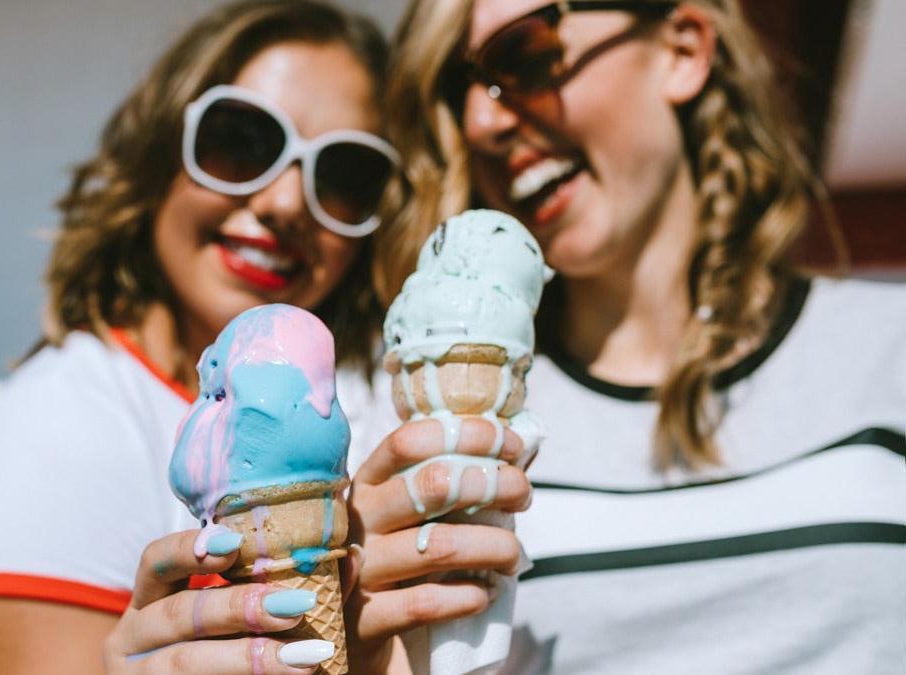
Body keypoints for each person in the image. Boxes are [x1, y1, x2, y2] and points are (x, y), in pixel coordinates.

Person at [347, 0, 906, 672]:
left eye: (525, 56)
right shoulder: (417, 421)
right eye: (454, 91)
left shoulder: (888, 344)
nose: (481, 120)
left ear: (682, 50)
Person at [0, 2, 483, 673]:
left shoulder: (387, 401)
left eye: (344, 175)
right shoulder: (61, 424)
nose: (284, 202)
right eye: (243, 142)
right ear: (163, 149)